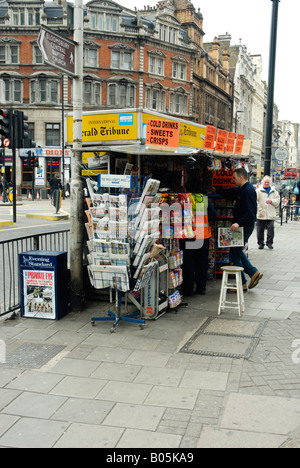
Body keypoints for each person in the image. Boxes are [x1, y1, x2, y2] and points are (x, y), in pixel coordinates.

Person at [220, 168, 263, 291]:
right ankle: (253, 273)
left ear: (241, 177)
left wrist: (238, 223)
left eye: (234, 178)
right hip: (241, 226)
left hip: (244, 227)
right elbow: (231, 192)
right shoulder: (241, 189)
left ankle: (242, 283)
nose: (232, 180)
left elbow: (251, 214)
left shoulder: (248, 191)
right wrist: (215, 190)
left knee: (234, 253)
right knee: (236, 251)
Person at [181, 179, 217, 296]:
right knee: (202, 263)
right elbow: (213, 215)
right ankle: (201, 288)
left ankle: (188, 289)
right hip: (203, 235)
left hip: (189, 234)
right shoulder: (205, 199)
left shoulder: (185, 198)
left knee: (188, 263)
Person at [256, 176, 280, 249]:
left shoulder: (274, 191)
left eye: (268, 182)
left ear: (270, 183)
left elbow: (278, 201)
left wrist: (271, 201)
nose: (266, 183)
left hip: (271, 213)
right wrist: (259, 209)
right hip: (261, 213)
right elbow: (255, 201)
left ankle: (269, 242)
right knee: (260, 229)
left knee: (271, 228)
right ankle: (260, 243)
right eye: (265, 182)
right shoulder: (258, 191)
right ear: (262, 182)